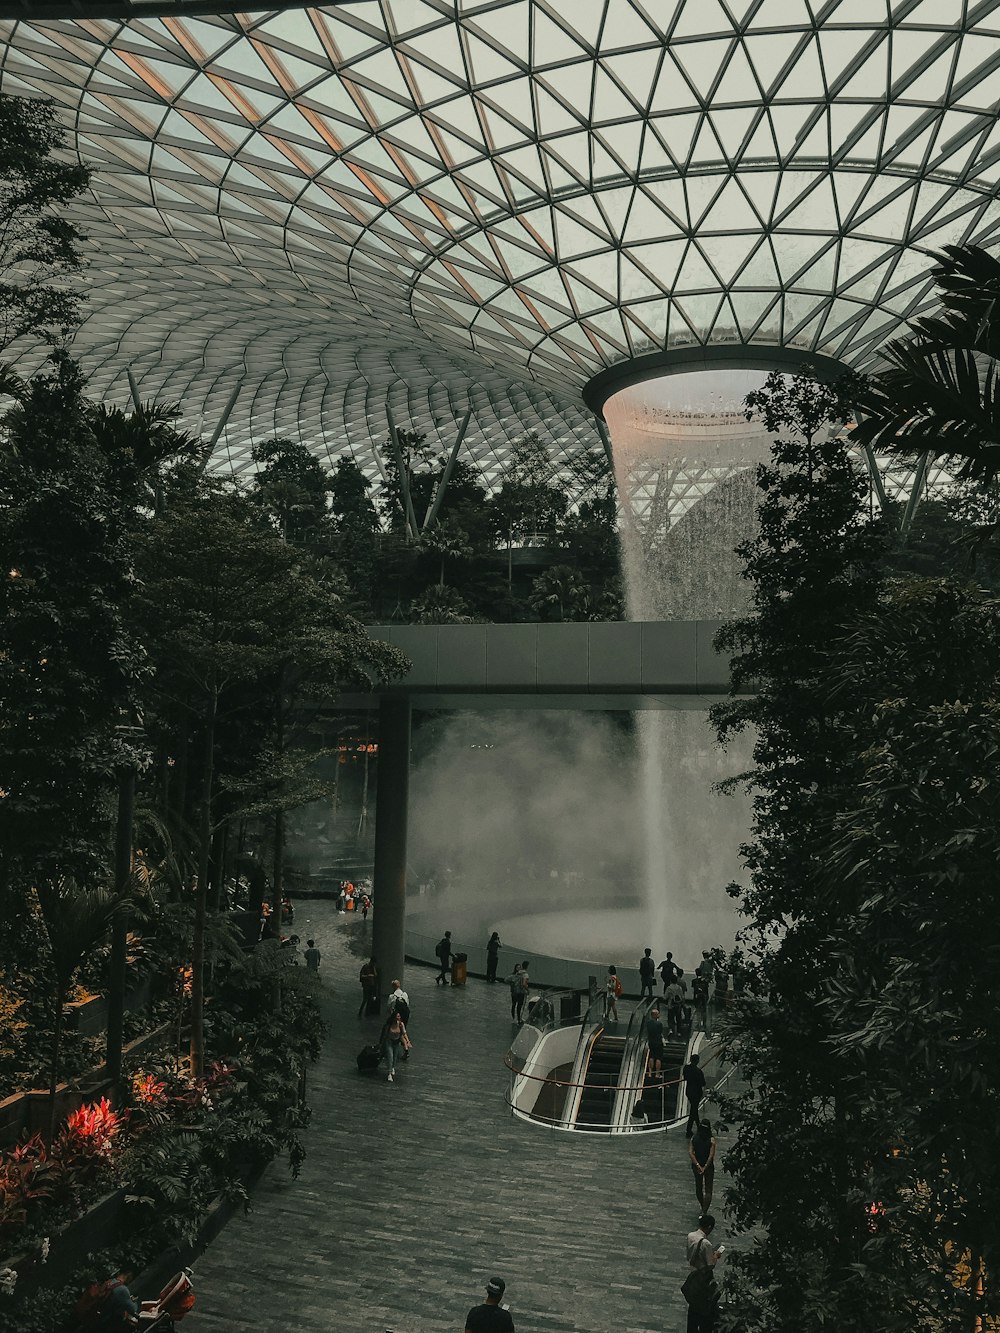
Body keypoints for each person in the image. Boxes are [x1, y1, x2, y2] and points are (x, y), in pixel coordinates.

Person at [684, 1214, 722, 1333]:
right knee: (705, 1308)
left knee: (693, 1308)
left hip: (693, 1274)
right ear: (709, 1227)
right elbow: (710, 1265)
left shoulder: (690, 1236)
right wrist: (716, 1256)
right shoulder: (706, 1243)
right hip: (703, 1278)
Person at [689, 1119, 717, 1212]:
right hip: (708, 1167)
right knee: (708, 1189)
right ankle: (704, 1210)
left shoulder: (694, 1138)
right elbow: (711, 1155)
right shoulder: (711, 1140)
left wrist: (697, 1165)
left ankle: (702, 1207)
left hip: (696, 1166)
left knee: (698, 1187)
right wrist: (705, 1166)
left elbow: (691, 1153)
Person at [682, 1051, 707, 1137]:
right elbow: (703, 1083)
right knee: (693, 1110)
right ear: (697, 1061)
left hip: (688, 1091)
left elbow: (685, 1077)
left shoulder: (686, 1068)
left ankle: (698, 1126)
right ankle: (689, 1130)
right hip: (696, 1092)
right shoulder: (698, 1071)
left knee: (694, 1109)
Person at [382, 1006, 408, 1082]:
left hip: (396, 1042)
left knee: (395, 1057)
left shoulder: (401, 1024)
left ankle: (392, 1067)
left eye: (399, 1016)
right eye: (397, 1016)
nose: (399, 1018)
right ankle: (389, 1073)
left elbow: (404, 1033)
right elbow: (385, 1033)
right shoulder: (389, 1024)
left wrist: (407, 1041)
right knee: (390, 1056)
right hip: (389, 1041)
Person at [646, 1006, 665, 1079]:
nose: (659, 1015)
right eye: (657, 1014)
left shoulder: (648, 1023)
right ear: (654, 1015)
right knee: (658, 1058)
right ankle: (657, 1073)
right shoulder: (659, 1024)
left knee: (651, 1056)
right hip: (658, 1042)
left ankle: (650, 1073)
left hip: (651, 1041)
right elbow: (660, 1032)